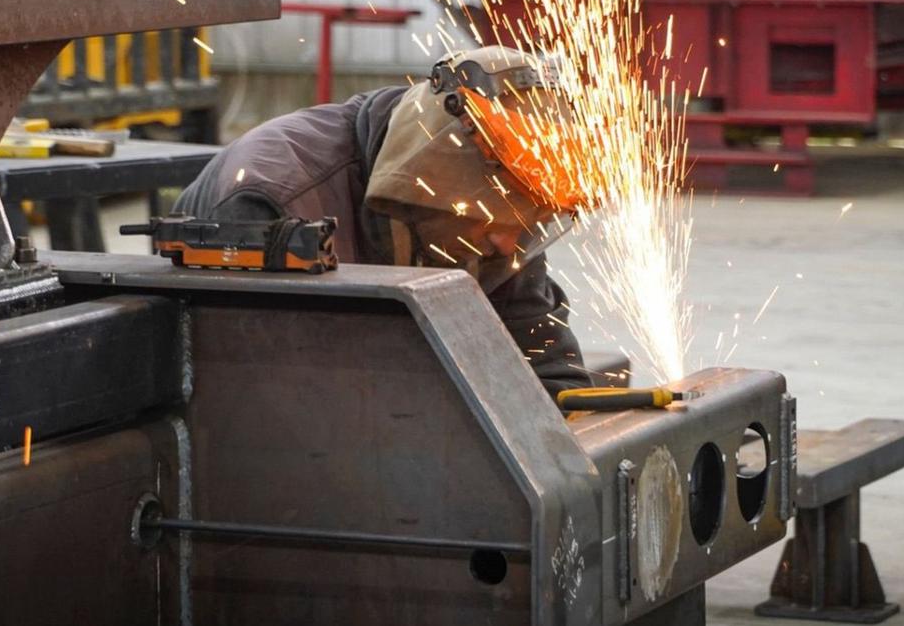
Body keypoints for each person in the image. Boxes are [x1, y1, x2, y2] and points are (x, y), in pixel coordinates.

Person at [175, 46, 592, 398]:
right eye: (499, 223)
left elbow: (551, 378)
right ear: (432, 180)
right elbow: (269, 415)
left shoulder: (499, 222)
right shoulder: (272, 205)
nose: (508, 244)